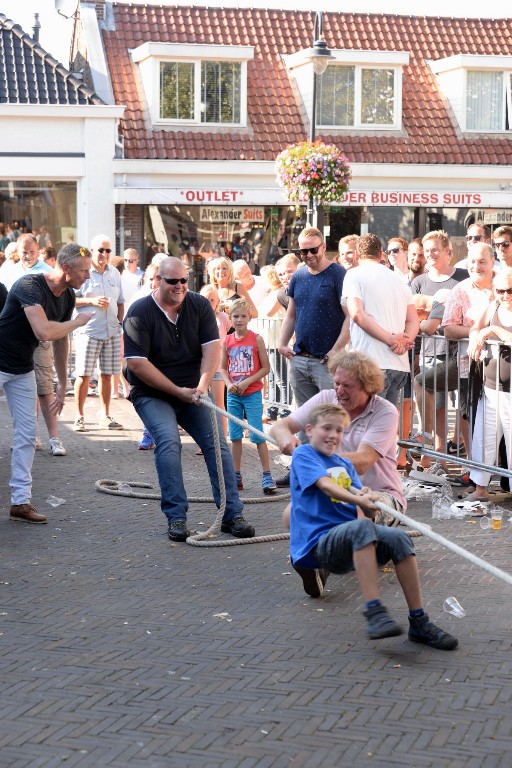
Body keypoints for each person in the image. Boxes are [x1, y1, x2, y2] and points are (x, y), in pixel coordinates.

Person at [288, 402, 457, 649]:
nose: (333, 435)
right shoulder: (305, 455)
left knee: (398, 539)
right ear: (310, 430)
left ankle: (419, 621)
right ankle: (374, 612)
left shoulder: (344, 465)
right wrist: (358, 497)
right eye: (327, 428)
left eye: (339, 431)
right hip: (319, 545)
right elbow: (325, 485)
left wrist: (370, 501)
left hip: (348, 541)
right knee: (361, 529)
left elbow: (366, 513)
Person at [123, 256, 255, 542]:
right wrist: (178, 391)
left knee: (217, 444)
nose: (180, 286)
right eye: (173, 281)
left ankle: (232, 514)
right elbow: (136, 364)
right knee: (169, 442)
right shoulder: (139, 312)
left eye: (184, 280)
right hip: (152, 393)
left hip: (193, 391)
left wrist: (202, 385)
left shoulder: (198, 305)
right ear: (157, 281)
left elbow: (212, 349)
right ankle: (177, 517)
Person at [0, 243, 93, 524]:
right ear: (66, 268)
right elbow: (44, 330)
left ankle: (20, 503)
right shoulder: (29, 285)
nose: (87, 276)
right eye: (84, 271)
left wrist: (63, 382)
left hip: (22, 367)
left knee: (28, 435)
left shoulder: (66, 297)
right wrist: (78, 322)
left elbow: (60, 340)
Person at [270, 350, 405, 527]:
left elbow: (363, 462)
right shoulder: (326, 398)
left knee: (348, 514)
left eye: (347, 386)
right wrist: (286, 437)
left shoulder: (385, 412)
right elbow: (279, 427)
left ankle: (365, 549)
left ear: (367, 387)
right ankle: (307, 553)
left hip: (379, 493)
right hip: (336, 486)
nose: (339, 391)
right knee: (292, 514)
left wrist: (311, 457)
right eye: (336, 383)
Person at [277, 226, 347, 440]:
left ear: (323, 247)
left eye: (313, 250)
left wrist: (336, 350)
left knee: (328, 420)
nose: (308, 255)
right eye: (303, 252)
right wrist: (282, 343)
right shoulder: (298, 276)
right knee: (303, 422)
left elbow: (350, 317)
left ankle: (328, 471)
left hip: (326, 361)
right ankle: (304, 471)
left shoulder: (338, 274)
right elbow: (291, 314)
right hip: (300, 358)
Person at [411, 230, 468, 465]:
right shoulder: (418, 282)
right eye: (427, 251)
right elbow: (412, 320)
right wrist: (414, 354)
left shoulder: (463, 277)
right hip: (429, 350)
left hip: (459, 352)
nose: (430, 254)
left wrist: (427, 318)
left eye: (435, 249)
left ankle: (466, 461)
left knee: (461, 408)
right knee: (436, 407)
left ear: (447, 251)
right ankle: (435, 456)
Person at [342, 233, 419, 408]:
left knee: (365, 425)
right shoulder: (399, 280)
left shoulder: (354, 275)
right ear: (380, 254)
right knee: (385, 426)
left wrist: (392, 340)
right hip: (397, 364)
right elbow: (414, 320)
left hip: (371, 361)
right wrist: (404, 341)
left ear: (356, 255)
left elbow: (357, 314)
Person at [221, 298, 276, 494]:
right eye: (235, 316)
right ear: (230, 318)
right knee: (234, 435)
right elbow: (222, 368)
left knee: (257, 433)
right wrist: (229, 385)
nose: (239, 320)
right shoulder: (227, 341)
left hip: (251, 393)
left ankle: (267, 474)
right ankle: (236, 474)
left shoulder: (257, 339)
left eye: (243, 316)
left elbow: (266, 368)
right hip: (234, 394)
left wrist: (246, 382)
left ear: (249, 318)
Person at [467, 268, 512, 500]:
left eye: (510, 290)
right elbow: (476, 326)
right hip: (490, 385)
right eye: (500, 290)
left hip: (511, 391)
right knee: (485, 438)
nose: (505, 295)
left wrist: (491, 330)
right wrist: (476, 336)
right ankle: (481, 489)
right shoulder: (492, 306)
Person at [72, 234, 125, 431]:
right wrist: (91, 301)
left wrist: (119, 322)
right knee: (83, 375)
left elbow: (121, 301)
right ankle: (79, 416)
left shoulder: (115, 273)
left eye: (108, 250)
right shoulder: (82, 271)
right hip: (89, 330)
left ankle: (105, 415)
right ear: (92, 251)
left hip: (111, 330)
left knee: (107, 375)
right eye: (100, 250)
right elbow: (71, 300)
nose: (104, 254)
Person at [200, 283, 231, 439]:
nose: (209, 302)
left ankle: (222, 438)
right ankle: (206, 439)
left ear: (218, 302)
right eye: (206, 299)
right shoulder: (196, 317)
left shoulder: (224, 318)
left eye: (212, 300)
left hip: (219, 367)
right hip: (202, 367)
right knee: (203, 404)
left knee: (219, 403)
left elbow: (236, 333)